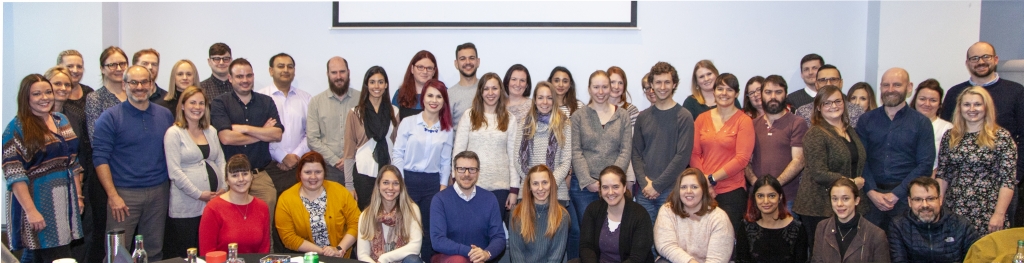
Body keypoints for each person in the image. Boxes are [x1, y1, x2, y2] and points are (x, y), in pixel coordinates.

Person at [92, 65, 175, 261]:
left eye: (144, 82)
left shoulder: (165, 115)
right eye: (133, 82)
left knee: (154, 250)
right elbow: (100, 158)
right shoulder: (110, 117)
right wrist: (112, 196)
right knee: (117, 253)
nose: (139, 87)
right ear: (124, 84)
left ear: (152, 84)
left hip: (158, 192)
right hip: (124, 195)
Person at [940, 42, 1024, 226]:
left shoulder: (1016, 93)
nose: (981, 62)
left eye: (986, 57)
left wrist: (1017, 174)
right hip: (955, 206)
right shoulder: (954, 94)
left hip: (994, 203)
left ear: (995, 59)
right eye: (975, 58)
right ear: (968, 63)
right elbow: (944, 173)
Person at [3, 74, 83, 263]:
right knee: (51, 255)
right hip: (37, 203)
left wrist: (78, 196)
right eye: (37, 94)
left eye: (48, 92)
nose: (44, 97)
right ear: (26, 98)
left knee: (47, 254)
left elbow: (73, 162)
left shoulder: (61, 120)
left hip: (65, 201)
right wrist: (31, 211)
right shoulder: (16, 128)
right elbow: (14, 174)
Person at [210, 58, 284, 249]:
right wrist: (261, 132)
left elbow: (276, 134)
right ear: (230, 78)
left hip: (260, 175)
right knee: (231, 230)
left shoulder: (266, 102)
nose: (245, 80)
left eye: (248, 75)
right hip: (230, 179)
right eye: (239, 76)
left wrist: (243, 128)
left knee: (265, 230)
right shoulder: (220, 103)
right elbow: (226, 138)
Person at [856, 67, 934, 233]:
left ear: (909, 87)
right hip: (871, 199)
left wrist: (896, 194)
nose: (890, 90)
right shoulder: (866, 120)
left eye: (897, 85)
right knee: (870, 251)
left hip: (905, 198)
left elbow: (925, 164)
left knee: (903, 251)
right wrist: (871, 191)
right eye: (886, 85)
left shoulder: (921, 123)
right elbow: (860, 158)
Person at [793, 85, 868, 249]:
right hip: (818, 207)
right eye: (827, 103)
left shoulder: (849, 130)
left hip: (845, 203)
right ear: (819, 107)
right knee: (824, 254)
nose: (833, 106)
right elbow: (819, 173)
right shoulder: (815, 134)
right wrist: (851, 183)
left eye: (837, 101)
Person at [935, 86, 1018, 235]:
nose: (972, 109)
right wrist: (938, 205)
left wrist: (999, 214)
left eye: (977, 104)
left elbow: (1007, 181)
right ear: (959, 108)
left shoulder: (1001, 137)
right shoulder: (950, 136)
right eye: (967, 104)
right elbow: (943, 174)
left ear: (986, 107)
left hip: (988, 211)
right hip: (954, 209)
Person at [509, 81, 574, 259]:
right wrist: (534, 183)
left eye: (549, 98)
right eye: (540, 97)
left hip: (557, 192)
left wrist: (548, 184)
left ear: (554, 100)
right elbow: (517, 159)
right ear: (534, 100)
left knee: (553, 245)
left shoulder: (564, 124)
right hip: (529, 192)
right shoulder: (524, 123)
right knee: (528, 241)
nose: (545, 102)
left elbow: (566, 160)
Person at [392, 79, 454, 261]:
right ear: (423, 98)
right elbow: (397, 153)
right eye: (430, 95)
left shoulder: (447, 129)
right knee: (405, 228)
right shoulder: (408, 123)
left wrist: (443, 186)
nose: (434, 100)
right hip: (407, 181)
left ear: (444, 101)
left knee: (428, 230)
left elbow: (445, 161)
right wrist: (399, 182)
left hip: (432, 185)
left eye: (439, 96)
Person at [163, 86, 227, 258]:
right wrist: (199, 194)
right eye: (192, 102)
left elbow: (221, 160)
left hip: (214, 202)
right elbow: (175, 172)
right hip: (187, 205)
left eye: (201, 103)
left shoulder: (211, 130)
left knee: (210, 251)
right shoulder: (174, 133)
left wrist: (224, 187)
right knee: (189, 252)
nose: (197, 107)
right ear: (182, 106)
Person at [571, 70, 633, 247]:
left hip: (614, 187)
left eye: (605, 86)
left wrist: (610, 182)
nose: (600, 91)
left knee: (612, 232)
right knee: (588, 233)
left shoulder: (623, 116)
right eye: (596, 87)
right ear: (589, 89)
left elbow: (625, 150)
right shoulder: (578, 116)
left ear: (611, 88)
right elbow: (576, 151)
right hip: (584, 187)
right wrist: (589, 181)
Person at [689, 72, 754, 235]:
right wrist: (704, 182)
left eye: (729, 89)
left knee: (727, 240)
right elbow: (694, 153)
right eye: (720, 89)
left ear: (737, 94)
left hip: (732, 191)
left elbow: (742, 159)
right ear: (714, 91)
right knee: (700, 238)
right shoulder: (701, 119)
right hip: (703, 191)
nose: (724, 93)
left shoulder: (744, 121)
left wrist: (711, 179)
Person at [44, 63, 95, 263]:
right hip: (45, 192)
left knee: (78, 238)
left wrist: (80, 191)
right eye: (57, 84)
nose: (63, 88)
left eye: (67, 84)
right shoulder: (31, 119)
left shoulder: (73, 116)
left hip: (75, 186)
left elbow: (79, 154)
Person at [632, 62, 694, 222]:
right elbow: (636, 153)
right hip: (645, 190)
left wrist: (657, 185)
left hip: (671, 190)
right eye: (658, 82)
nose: (662, 86)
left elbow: (682, 157)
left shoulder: (684, 116)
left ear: (674, 84)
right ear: (651, 84)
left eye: (667, 82)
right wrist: (645, 183)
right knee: (645, 239)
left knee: (668, 240)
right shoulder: (643, 117)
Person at [452, 72, 516, 222]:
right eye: (486, 89)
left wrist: (514, 189)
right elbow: (458, 152)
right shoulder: (469, 116)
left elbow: (513, 157)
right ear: (480, 92)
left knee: (494, 233)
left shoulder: (510, 119)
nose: (490, 93)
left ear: (501, 91)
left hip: (500, 187)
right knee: (471, 229)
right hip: (471, 184)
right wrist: (456, 180)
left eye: (494, 88)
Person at [276, 151, 361, 257]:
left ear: (324, 173)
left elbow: (357, 223)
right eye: (307, 172)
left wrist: (339, 249)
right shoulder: (286, 199)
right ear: (299, 173)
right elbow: (288, 237)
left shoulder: (340, 191)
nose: (313, 177)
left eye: (318, 172)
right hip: (305, 258)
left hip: (341, 256)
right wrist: (323, 251)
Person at [430, 151, 506, 263]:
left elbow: (499, 237)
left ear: (478, 172)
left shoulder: (490, 199)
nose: (466, 174)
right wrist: (471, 252)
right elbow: (438, 241)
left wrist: (486, 254)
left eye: (472, 169)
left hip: (480, 259)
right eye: (461, 169)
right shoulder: (440, 199)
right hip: (449, 257)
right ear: (454, 171)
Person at [745, 75, 808, 211]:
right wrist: (758, 186)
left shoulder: (797, 123)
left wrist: (773, 187)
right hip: (757, 197)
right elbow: (745, 161)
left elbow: (799, 161)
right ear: (761, 95)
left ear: (785, 95)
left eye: (778, 92)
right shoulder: (751, 124)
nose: (773, 96)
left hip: (786, 198)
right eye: (768, 92)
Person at [888, 176, 979, 263]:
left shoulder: (961, 225)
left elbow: (976, 259)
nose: (925, 205)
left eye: (930, 199)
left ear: (940, 200)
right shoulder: (898, 226)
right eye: (918, 199)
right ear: (909, 202)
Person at [257, 53, 313, 194]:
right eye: (280, 66)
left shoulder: (306, 98)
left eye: (290, 66)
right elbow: (260, 133)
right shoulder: (259, 98)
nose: (286, 70)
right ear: (271, 71)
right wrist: (282, 156)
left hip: (300, 165)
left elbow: (311, 133)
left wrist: (296, 156)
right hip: (270, 166)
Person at [343, 65, 395, 210]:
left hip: (388, 176)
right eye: (372, 82)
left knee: (388, 218)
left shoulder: (394, 112)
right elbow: (348, 152)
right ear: (366, 85)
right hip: (363, 175)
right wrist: (349, 185)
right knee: (365, 220)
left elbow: (397, 149)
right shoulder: (355, 113)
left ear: (386, 85)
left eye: (380, 81)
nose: (376, 86)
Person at [308, 56, 361, 196]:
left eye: (342, 72)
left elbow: (367, 136)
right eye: (334, 72)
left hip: (357, 167)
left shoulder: (362, 99)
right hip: (328, 169)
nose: (339, 76)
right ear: (327, 74)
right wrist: (336, 161)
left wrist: (350, 158)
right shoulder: (316, 102)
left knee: (357, 211)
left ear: (348, 72)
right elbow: (312, 139)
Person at [198, 154, 271, 254]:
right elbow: (207, 253)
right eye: (234, 175)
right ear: (227, 180)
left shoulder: (262, 207)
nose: (241, 179)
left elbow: (264, 249)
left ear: (252, 176)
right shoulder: (213, 208)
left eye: (245, 174)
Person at [579, 166, 653, 263]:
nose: (610, 192)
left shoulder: (640, 215)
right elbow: (586, 247)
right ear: (600, 189)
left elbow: (637, 258)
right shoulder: (593, 210)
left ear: (624, 187)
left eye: (615, 187)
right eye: (605, 187)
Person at [811, 178, 889, 263]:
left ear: (856, 201)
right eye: (835, 199)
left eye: (845, 199)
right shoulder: (822, 227)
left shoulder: (876, 234)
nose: (839, 204)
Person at [356, 165, 424, 263]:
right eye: (386, 183)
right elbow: (362, 255)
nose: (390, 188)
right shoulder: (366, 215)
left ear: (401, 187)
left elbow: (415, 247)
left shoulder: (411, 210)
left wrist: (384, 259)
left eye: (395, 183)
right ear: (378, 185)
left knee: (413, 260)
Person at [736, 175, 807, 263]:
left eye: (771, 196)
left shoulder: (797, 228)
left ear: (780, 197)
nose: (766, 201)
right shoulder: (746, 226)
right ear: (754, 198)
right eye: (760, 196)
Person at [508, 165, 569, 263]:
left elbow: (556, 256)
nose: (540, 188)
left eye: (544, 182)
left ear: (551, 184)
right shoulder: (516, 213)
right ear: (529, 187)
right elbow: (516, 252)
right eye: (535, 183)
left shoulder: (562, 215)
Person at [794, 65, 865, 128]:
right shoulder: (803, 112)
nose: (828, 84)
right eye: (823, 80)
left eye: (833, 79)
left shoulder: (856, 111)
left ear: (841, 83)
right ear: (816, 85)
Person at [85, 46, 129, 140]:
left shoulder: (134, 94)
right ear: (102, 69)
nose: (118, 68)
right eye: (112, 65)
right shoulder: (95, 98)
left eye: (122, 64)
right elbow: (95, 136)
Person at [909, 79, 953, 171]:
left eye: (933, 100)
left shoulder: (947, 128)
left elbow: (948, 163)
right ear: (915, 100)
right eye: (922, 99)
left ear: (940, 104)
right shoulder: (903, 124)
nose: (927, 104)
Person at [607, 66, 639, 189]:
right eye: (612, 82)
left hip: (627, 166)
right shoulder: (596, 109)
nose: (616, 86)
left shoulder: (631, 110)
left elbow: (629, 141)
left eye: (620, 83)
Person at [393, 50, 439, 120]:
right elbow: (394, 126)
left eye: (429, 68)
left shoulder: (443, 94)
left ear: (434, 71)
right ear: (412, 69)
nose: (425, 71)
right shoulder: (400, 95)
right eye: (420, 67)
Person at [448, 43, 480, 127]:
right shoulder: (449, 94)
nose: (468, 62)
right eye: (462, 59)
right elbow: (446, 130)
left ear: (478, 62)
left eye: (471, 58)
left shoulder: (489, 89)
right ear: (456, 64)